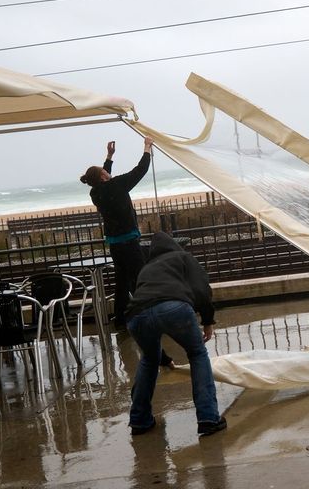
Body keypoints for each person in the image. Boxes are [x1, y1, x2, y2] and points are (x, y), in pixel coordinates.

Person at [80, 138, 178, 368]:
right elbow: (140, 170)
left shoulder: (96, 193)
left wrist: (109, 158)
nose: (108, 172)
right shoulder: (116, 186)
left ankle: (122, 320)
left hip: (115, 244)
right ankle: (149, 316)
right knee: (140, 281)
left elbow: (103, 179)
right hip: (129, 243)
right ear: (104, 176)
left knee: (122, 280)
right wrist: (146, 148)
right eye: (105, 171)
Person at [126, 232, 226, 437]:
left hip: (135, 316)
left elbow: (149, 310)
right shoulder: (183, 257)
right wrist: (208, 321)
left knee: (148, 360)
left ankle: (139, 421)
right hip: (173, 307)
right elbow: (201, 289)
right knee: (197, 353)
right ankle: (208, 418)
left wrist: (163, 359)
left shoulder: (146, 268)